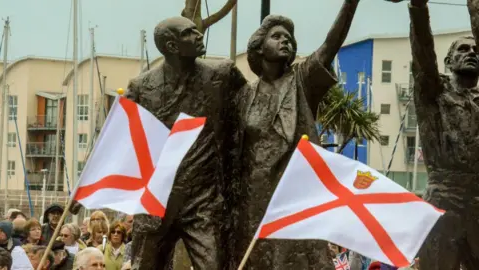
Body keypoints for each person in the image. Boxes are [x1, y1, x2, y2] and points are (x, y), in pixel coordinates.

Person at [234, 1, 360, 268]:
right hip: (254, 201)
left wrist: (351, 3)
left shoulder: (302, 81)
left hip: (294, 197)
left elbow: (330, 45)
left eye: (289, 38)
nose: (285, 42)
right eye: (276, 36)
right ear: (259, 46)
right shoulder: (244, 96)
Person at [124, 16, 247, 270]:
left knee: (215, 265)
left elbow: (251, 112)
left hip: (203, 200)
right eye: (189, 33)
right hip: (156, 201)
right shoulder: (141, 87)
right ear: (171, 45)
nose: (198, 35)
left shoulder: (222, 76)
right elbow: (119, 139)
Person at [395, 0, 479, 268]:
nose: (472, 52)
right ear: (448, 61)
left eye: (477, 49)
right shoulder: (434, 92)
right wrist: (418, 8)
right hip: (444, 199)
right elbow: (423, 54)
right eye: (463, 49)